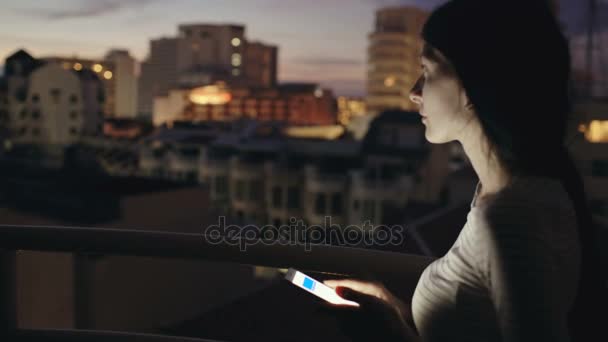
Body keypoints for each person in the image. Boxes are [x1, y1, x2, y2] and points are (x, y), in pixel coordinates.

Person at [323, 0, 606, 341]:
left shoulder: (510, 219)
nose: (414, 92)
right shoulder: (508, 193)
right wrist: (394, 312)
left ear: (472, 84)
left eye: (427, 71)